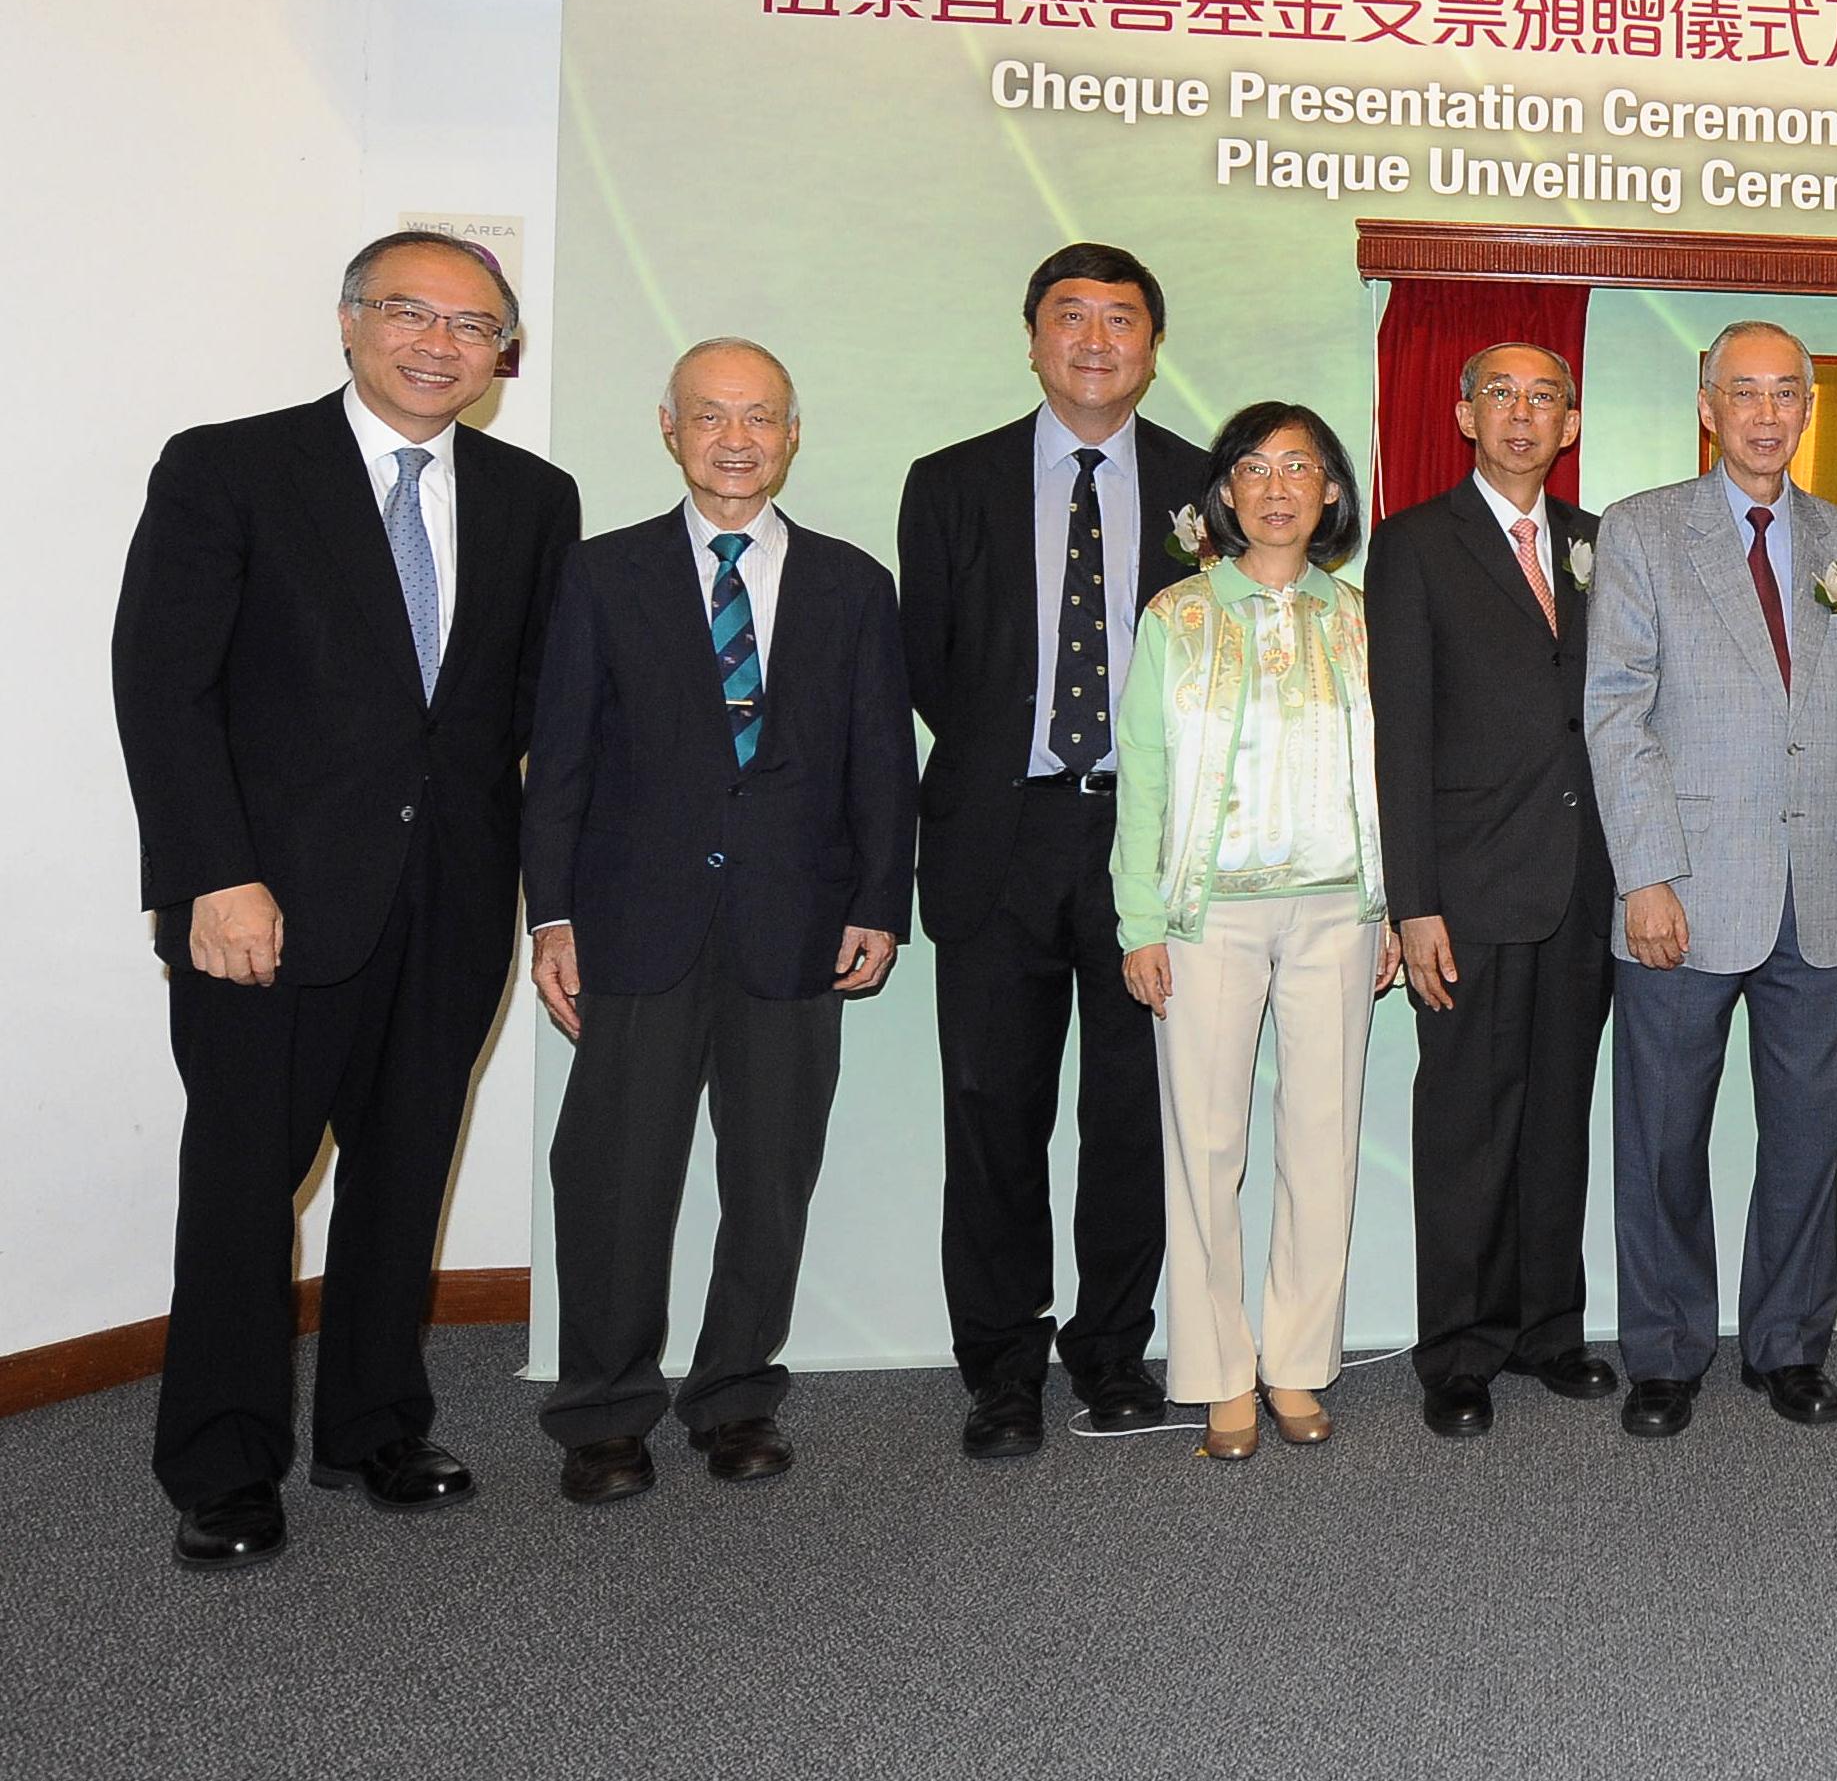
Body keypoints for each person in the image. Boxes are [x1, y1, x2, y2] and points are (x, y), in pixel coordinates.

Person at [112, 231, 580, 1571]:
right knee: (247, 1185)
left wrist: (562, 897)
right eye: (408, 313)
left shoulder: (531, 497)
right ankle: (223, 1460)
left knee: (402, 1176)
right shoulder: (233, 467)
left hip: (451, 902)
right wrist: (211, 871)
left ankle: (377, 1423)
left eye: (472, 325)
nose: (438, 343)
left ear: (505, 353)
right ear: (348, 321)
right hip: (265, 903)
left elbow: (538, 717)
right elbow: (165, 684)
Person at [521, 339, 917, 1502]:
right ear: (668, 428)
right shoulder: (601, 576)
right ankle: (602, 1410)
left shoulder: (854, 584)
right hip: (634, 925)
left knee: (770, 1176)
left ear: (793, 434)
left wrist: (879, 904)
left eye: (759, 417)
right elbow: (560, 765)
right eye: (710, 416)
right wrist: (552, 915)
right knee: (613, 1177)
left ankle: (736, 1393)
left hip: (794, 929)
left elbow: (881, 763)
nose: (734, 438)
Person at [898, 242, 1209, 1455]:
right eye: (1069, 317)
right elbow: (929, 666)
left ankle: (1112, 1349)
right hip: (999, 833)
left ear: (1150, 345)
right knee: (990, 1108)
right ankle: (1000, 1366)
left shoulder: (1203, 487)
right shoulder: (952, 481)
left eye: (1121, 319)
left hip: (1145, 839)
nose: (1094, 339)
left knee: (1133, 1110)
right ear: (1032, 337)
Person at [1584, 322, 1837, 1438]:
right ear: (1706, 402)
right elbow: (1615, 713)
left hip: (1819, 894)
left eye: (1786, 393)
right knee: (1663, 1137)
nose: (1767, 413)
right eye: (1745, 392)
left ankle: (1786, 1345)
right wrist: (1646, 875)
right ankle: (1665, 1354)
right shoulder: (1641, 531)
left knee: (1806, 1139)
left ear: (1809, 405)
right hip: (1682, 891)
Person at [1112, 403, 1399, 1459]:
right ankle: (1217, 1372)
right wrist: (1138, 917)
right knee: (1206, 1143)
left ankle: (1296, 1362)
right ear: (1224, 492)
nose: (1278, 486)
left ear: (1331, 491)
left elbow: (1394, 775)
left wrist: (1390, 904)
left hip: (1338, 907)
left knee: (1321, 1140)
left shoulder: (1367, 617)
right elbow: (1139, 776)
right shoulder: (1176, 618)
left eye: (1301, 467)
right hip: (1204, 914)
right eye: (1254, 467)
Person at [1368, 343, 1621, 1439]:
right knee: (1468, 1121)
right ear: (1465, 413)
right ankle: (1458, 1350)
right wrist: (1410, 900)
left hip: (1583, 882)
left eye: (1545, 397)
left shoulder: (1603, 546)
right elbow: (1401, 736)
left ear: (1569, 423)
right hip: (1465, 890)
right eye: (1500, 394)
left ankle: (1545, 1330)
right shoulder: (1414, 544)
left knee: (1559, 1113)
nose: (1522, 413)